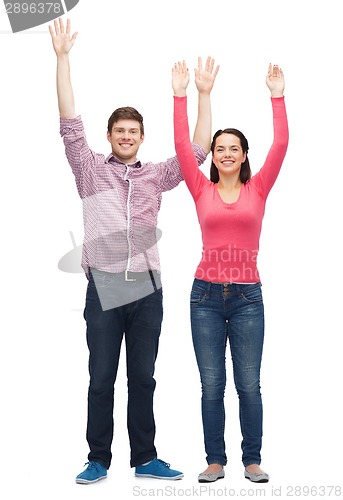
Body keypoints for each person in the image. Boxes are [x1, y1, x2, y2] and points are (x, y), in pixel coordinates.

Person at [49, 18, 212, 484]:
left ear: (142, 138)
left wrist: (201, 95)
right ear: (110, 136)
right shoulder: (88, 169)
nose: (125, 137)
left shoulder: (156, 176)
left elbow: (197, 152)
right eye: (119, 131)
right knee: (101, 378)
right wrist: (62, 59)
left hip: (147, 290)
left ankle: (145, 458)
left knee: (143, 378)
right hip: (102, 288)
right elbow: (68, 122)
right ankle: (98, 457)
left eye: (133, 132)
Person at [172, 59, 288, 483]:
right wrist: (182, 95)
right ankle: (215, 461)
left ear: (242, 156)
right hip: (204, 295)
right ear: (215, 157)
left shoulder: (259, 187)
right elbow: (184, 147)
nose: (224, 153)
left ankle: (252, 459)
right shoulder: (199, 188)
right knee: (210, 385)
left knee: (249, 384)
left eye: (232, 148)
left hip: (247, 298)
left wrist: (277, 97)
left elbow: (280, 146)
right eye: (219, 148)